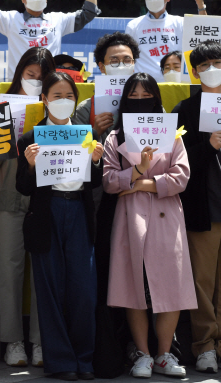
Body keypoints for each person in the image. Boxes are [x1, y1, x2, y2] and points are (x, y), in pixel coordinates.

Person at [102, 73, 195, 379]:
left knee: (170, 287)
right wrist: (140, 169)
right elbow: (108, 182)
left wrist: (138, 181)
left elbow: (181, 177)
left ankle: (165, 354)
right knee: (134, 289)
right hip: (131, 221)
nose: (140, 101)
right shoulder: (115, 138)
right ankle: (143, 353)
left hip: (167, 220)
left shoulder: (173, 134)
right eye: (134, 96)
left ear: (156, 99)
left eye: (146, 96)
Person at [16, 72, 103, 381]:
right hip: (46, 213)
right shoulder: (31, 138)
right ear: (44, 100)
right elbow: (23, 188)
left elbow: (96, 182)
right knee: (50, 288)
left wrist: (94, 162)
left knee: (84, 288)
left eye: (69, 96)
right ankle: (61, 361)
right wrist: (29, 164)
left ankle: (85, 358)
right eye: (56, 96)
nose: (63, 101)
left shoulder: (86, 134)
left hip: (78, 210)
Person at [0, 46, 55, 368]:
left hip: (44, 197)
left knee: (43, 270)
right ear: (19, 75)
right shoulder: (1, 107)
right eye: (30, 76)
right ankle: (12, 340)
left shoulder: (55, 107)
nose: (35, 83)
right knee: (8, 269)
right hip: (6, 197)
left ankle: (42, 341)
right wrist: (0, 133)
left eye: (41, 78)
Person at [173, 40, 221, 374]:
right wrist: (209, 144)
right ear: (194, 71)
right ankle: (204, 345)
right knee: (201, 281)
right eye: (204, 65)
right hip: (203, 209)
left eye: (217, 62)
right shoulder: (185, 110)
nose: (212, 70)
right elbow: (177, 161)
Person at [0, 0, 99, 81]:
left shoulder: (58, 19)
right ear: (23, 0)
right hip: (17, 87)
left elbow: (88, 13)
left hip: (49, 86)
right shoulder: (11, 19)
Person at [75, 32, 141, 142]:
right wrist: (95, 132)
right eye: (114, 61)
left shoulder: (150, 102)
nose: (121, 66)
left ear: (133, 64)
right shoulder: (86, 109)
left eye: (127, 60)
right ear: (101, 67)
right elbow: (75, 152)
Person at [125, 0, 207, 81]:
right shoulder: (133, 26)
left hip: (176, 83)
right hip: (144, 84)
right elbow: (127, 57)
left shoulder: (181, 22)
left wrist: (200, 5)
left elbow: (204, 32)